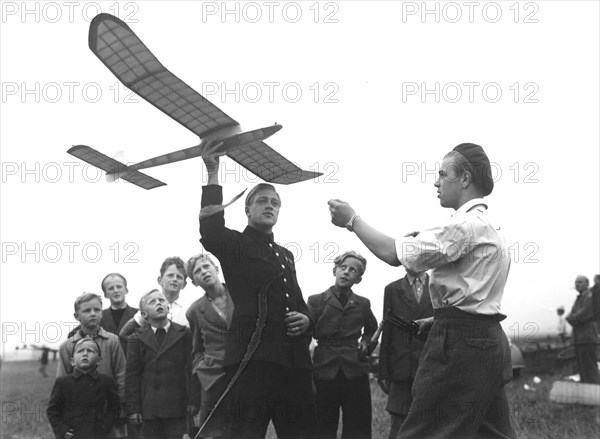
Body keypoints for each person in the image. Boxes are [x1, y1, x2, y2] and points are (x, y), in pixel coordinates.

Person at [328, 143, 515, 438]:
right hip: (489, 343)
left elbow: (393, 253)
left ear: (465, 178)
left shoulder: (464, 226)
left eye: (442, 174)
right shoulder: (491, 228)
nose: (436, 182)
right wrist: (439, 320)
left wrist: (352, 221)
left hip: (460, 348)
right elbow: (474, 299)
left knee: (420, 432)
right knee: (490, 433)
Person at [199, 145, 317, 439]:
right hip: (254, 361)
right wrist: (213, 172)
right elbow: (211, 230)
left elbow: (299, 301)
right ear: (247, 209)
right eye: (261, 201)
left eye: (274, 202)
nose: (269, 205)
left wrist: (307, 319)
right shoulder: (236, 245)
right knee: (246, 434)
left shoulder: (285, 255)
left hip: (293, 362)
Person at [307, 250, 378, 439]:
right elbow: (306, 333)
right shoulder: (316, 301)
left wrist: (365, 343)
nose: (346, 272)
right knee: (322, 424)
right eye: (343, 268)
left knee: (358, 425)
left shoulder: (363, 304)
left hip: (354, 370)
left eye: (353, 270)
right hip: (324, 369)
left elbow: (372, 328)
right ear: (334, 271)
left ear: (359, 279)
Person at [125, 289, 199, 439]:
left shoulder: (184, 334)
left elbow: (191, 369)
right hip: (149, 407)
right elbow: (132, 375)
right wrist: (133, 408)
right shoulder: (136, 338)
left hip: (177, 405)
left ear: (168, 307)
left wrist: (193, 400)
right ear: (144, 314)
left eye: (161, 300)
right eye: (152, 302)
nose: (158, 303)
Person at [378, 270, 434, 439]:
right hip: (402, 368)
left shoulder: (440, 286)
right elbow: (387, 332)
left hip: (432, 366)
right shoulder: (392, 289)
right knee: (398, 425)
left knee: (431, 422)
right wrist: (384, 371)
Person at [185, 253, 233, 438]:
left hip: (244, 372)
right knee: (213, 433)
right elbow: (196, 349)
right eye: (197, 271)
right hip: (214, 378)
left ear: (217, 268)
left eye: (206, 266)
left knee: (246, 428)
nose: (203, 272)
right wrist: (203, 370)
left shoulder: (241, 295)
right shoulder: (195, 311)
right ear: (194, 282)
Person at [57, 293, 126, 402]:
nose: (93, 314)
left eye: (97, 310)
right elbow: (61, 381)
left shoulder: (112, 341)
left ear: (102, 313)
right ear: (76, 316)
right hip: (77, 407)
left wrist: (120, 404)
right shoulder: (67, 346)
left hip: (107, 406)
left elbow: (121, 375)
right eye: (87, 311)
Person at [47, 337, 120, 439]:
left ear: (98, 361)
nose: (85, 354)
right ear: (72, 361)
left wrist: (105, 425)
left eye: (90, 351)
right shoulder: (62, 383)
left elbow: (115, 407)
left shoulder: (106, 381)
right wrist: (62, 430)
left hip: (97, 434)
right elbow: (52, 410)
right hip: (72, 434)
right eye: (80, 351)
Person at [120, 257, 190, 342]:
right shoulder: (149, 306)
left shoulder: (188, 309)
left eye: (179, 277)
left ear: (184, 284)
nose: (174, 279)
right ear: (160, 280)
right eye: (170, 275)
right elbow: (124, 334)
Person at [565, 275, 600, 384]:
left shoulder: (590, 298)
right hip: (579, 339)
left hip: (588, 338)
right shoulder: (578, 299)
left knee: (590, 370)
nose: (577, 284)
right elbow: (569, 317)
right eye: (576, 282)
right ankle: (588, 396)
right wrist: (575, 318)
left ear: (587, 284)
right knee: (582, 370)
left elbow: (579, 316)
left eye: (580, 282)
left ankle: (596, 395)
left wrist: (575, 318)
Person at [99, 273, 138, 337]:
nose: (116, 290)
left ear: (126, 290)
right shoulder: (99, 317)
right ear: (105, 294)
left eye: (119, 287)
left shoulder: (139, 315)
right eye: (111, 288)